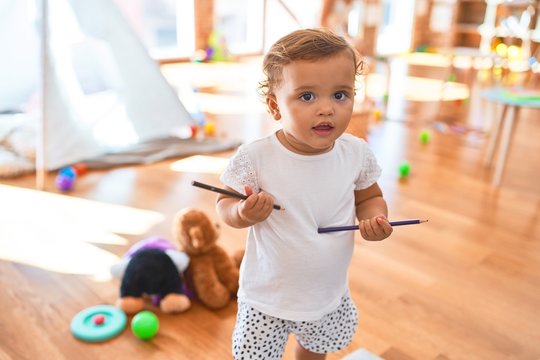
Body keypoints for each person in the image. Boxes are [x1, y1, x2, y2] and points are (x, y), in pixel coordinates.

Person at [216, 28, 392, 360]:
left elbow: (369, 198)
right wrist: (241, 214)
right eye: (307, 96)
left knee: (314, 351)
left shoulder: (356, 152)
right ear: (275, 106)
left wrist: (374, 218)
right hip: (266, 296)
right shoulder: (256, 157)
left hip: (324, 292)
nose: (327, 109)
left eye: (340, 95)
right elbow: (224, 201)